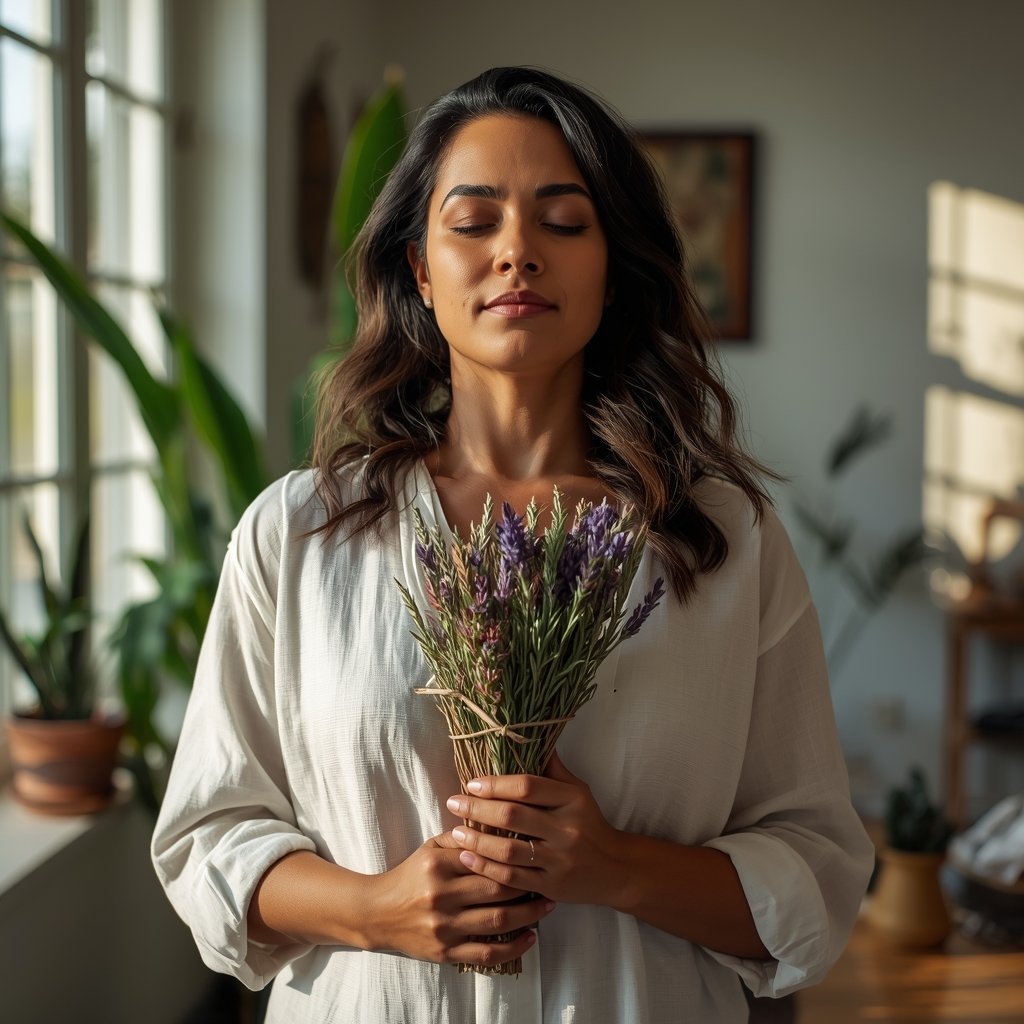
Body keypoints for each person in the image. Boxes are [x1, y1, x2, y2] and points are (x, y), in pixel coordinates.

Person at [152, 66, 874, 1022]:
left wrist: (616, 867)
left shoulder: (723, 544)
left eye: (564, 222)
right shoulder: (298, 534)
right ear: (420, 269)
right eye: (474, 221)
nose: (518, 252)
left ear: (612, 269)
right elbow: (209, 838)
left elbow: (817, 872)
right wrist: (377, 910)